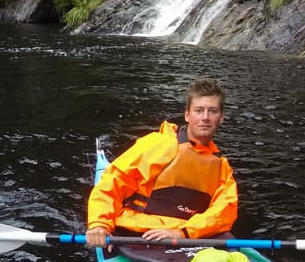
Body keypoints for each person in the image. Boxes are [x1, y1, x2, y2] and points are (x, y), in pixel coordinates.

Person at [85, 78, 237, 247]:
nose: (205, 118)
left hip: (184, 236)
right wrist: (99, 224)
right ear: (187, 115)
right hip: (137, 232)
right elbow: (112, 183)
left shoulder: (221, 166)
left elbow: (224, 212)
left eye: (213, 111)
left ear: (221, 117)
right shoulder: (158, 145)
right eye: (199, 110)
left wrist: (183, 232)